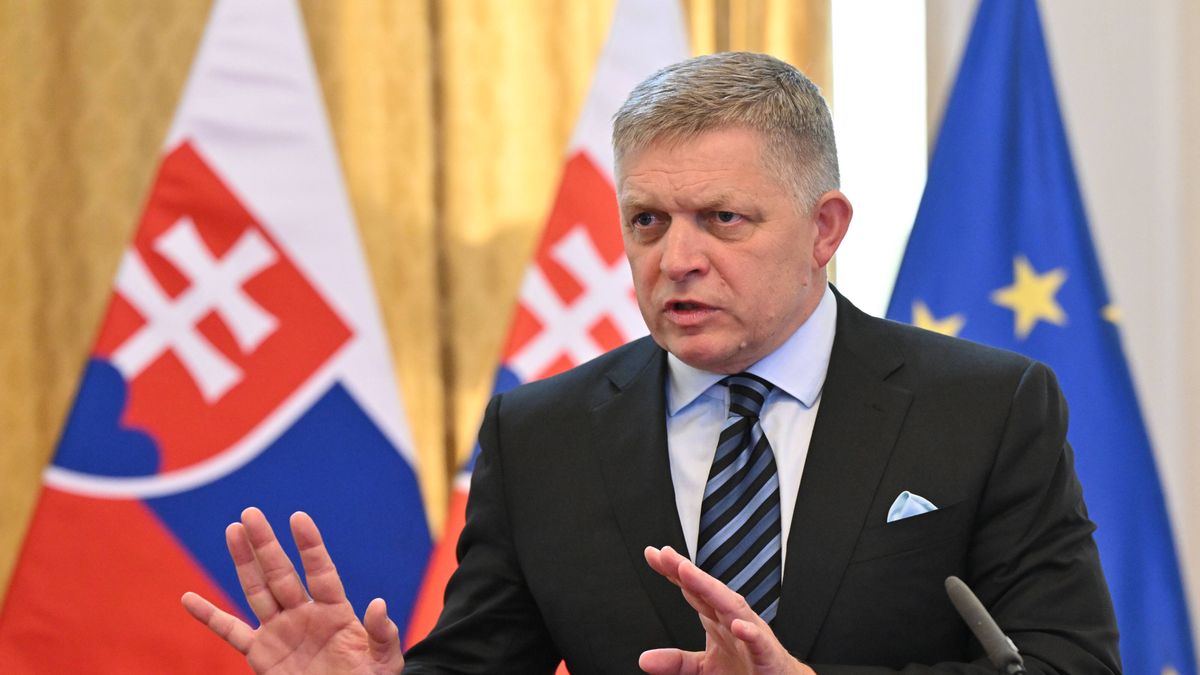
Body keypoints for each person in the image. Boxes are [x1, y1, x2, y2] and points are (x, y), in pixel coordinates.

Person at [182, 52, 1121, 674]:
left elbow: (1067, 663)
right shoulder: (539, 433)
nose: (676, 259)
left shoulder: (987, 408)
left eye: (723, 219)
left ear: (824, 228)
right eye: (647, 222)